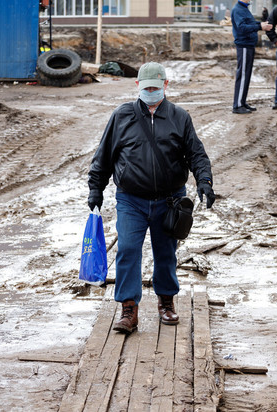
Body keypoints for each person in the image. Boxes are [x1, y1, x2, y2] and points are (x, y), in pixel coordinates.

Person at [87, 62, 215, 334]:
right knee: (129, 250)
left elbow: (196, 154)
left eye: (156, 88)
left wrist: (204, 181)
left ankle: (166, 303)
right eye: (146, 88)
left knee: (166, 253)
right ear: (138, 87)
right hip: (131, 199)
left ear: (166, 85)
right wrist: (95, 188)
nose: (150, 92)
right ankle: (129, 309)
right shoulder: (122, 116)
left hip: (169, 201)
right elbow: (104, 156)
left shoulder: (180, 117)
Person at [231, 0, 273, 114]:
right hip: (243, 45)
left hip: (248, 45)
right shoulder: (238, 9)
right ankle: (238, 105)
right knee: (243, 74)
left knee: (247, 75)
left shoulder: (244, 9)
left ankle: (242, 102)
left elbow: (249, 23)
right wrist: (260, 26)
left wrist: (260, 24)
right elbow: (242, 27)